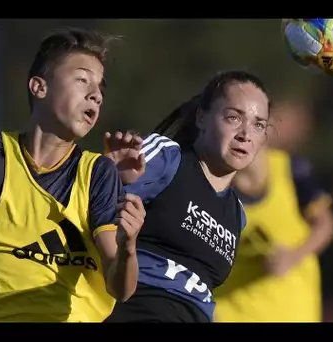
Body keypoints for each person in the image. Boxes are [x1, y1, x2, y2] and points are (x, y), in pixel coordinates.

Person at [0, 28, 147, 322]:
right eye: (82, 79)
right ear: (39, 87)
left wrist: (128, 247)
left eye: (100, 87)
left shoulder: (97, 173)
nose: (96, 94)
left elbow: (121, 288)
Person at [103, 70, 271, 323]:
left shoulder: (237, 214)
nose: (245, 134)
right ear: (202, 118)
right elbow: (94, 204)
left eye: (258, 125)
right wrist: (114, 178)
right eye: (234, 117)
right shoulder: (168, 156)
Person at [212, 135, 333, 322]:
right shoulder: (209, 183)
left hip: (293, 310)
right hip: (231, 311)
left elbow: (326, 225)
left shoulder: (292, 170)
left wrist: (293, 255)